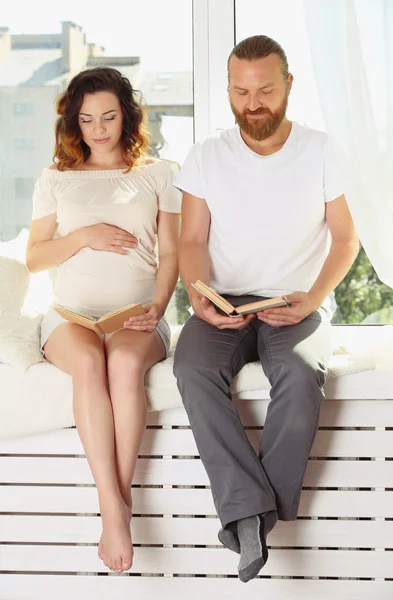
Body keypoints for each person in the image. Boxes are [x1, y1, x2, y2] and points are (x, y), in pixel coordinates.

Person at [173, 35, 359, 583]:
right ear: (229, 90)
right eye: (240, 90)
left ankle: (248, 517)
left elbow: (345, 238)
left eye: (265, 90)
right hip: (223, 299)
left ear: (289, 86)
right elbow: (191, 240)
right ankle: (251, 513)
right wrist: (197, 294)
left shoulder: (322, 149)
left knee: (300, 375)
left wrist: (315, 297)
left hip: (296, 301)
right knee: (191, 366)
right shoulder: (206, 155)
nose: (252, 103)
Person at [26, 67, 181, 574]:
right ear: (74, 122)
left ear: (128, 116)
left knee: (121, 366)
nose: (98, 128)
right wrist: (83, 236)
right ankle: (114, 507)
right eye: (87, 119)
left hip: (135, 314)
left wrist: (159, 307)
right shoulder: (56, 179)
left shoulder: (159, 173)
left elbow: (174, 251)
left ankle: (118, 500)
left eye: (109, 117)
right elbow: (34, 258)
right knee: (89, 366)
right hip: (70, 316)